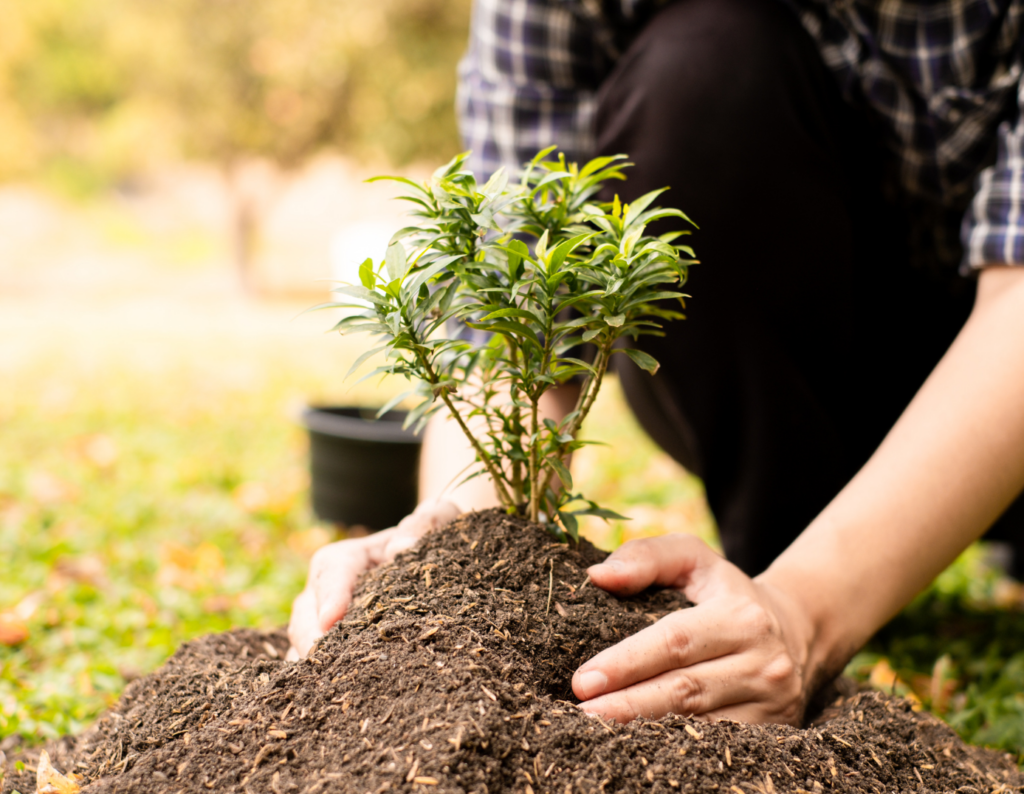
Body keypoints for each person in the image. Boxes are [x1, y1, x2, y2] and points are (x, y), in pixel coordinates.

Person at [289, 0, 1024, 726]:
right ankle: (781, 554)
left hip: (993, 382)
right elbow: (515, 315)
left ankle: (836, 578)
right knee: (703, 68)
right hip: (785, 399)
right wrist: (455, 551)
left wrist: (804, 614)